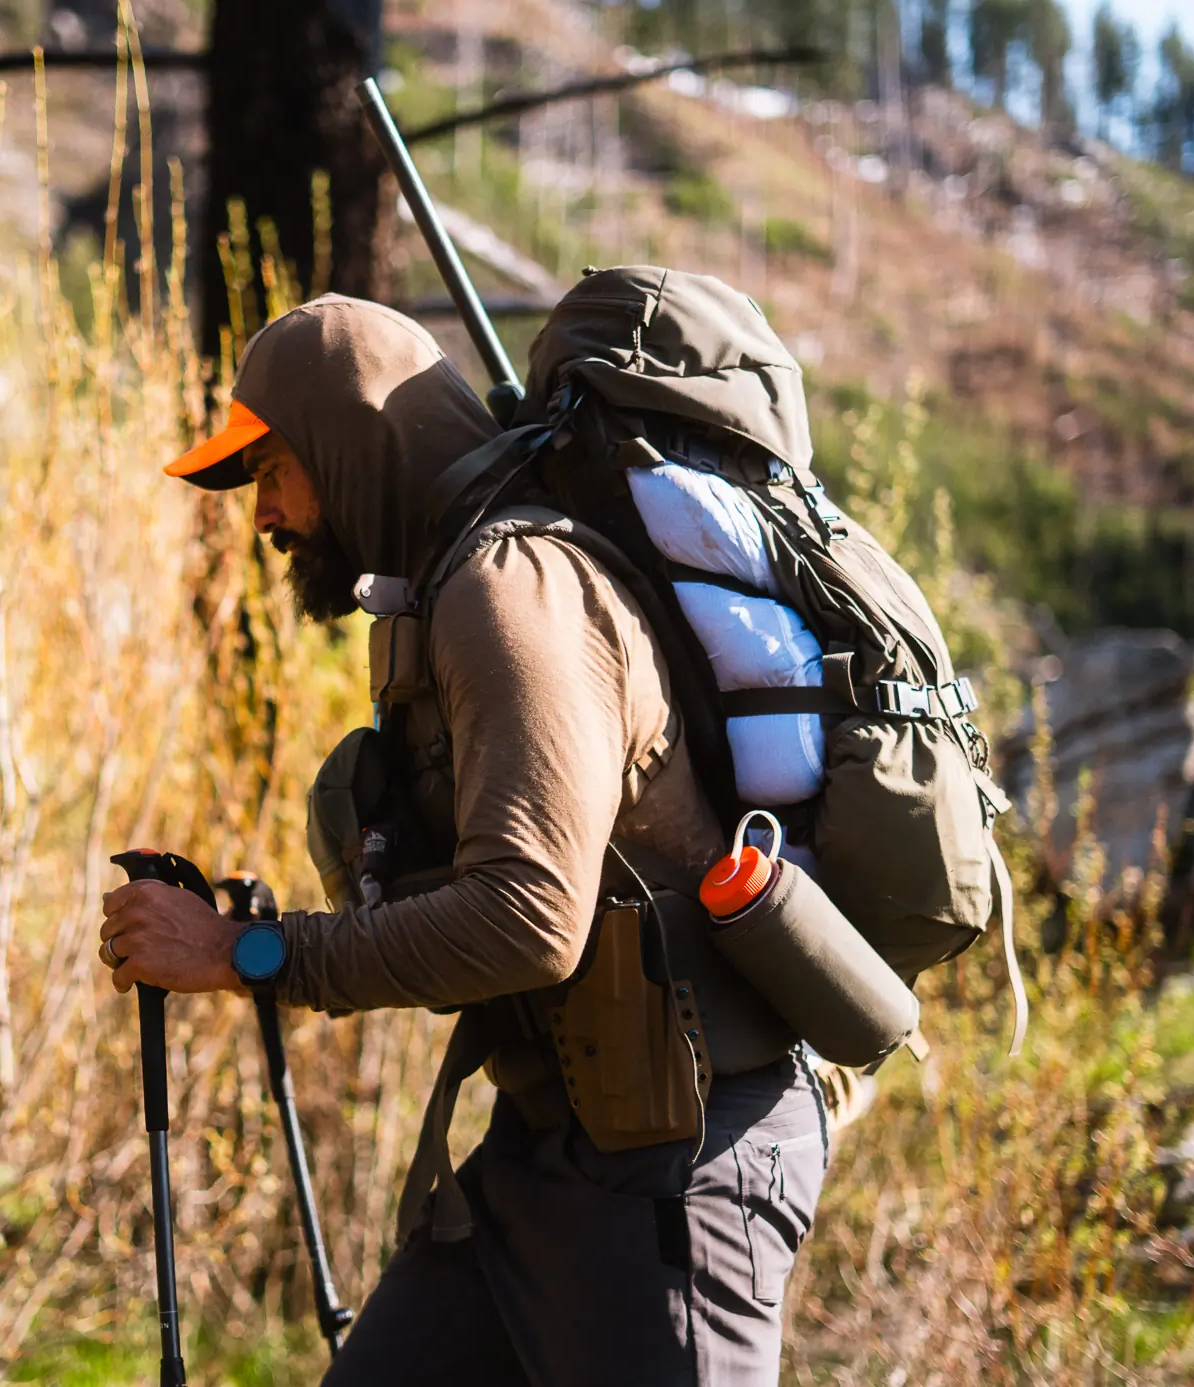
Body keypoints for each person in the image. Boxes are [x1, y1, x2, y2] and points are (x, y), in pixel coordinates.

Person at [97, 295, 827, 1386]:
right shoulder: (442, 591)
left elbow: (528, 920)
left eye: (275, 471)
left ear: (348, 449)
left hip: (677, 1165)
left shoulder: (508, 591)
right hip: (550, 1151)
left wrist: (248, 955)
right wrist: (252, 930)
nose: (265, 515)